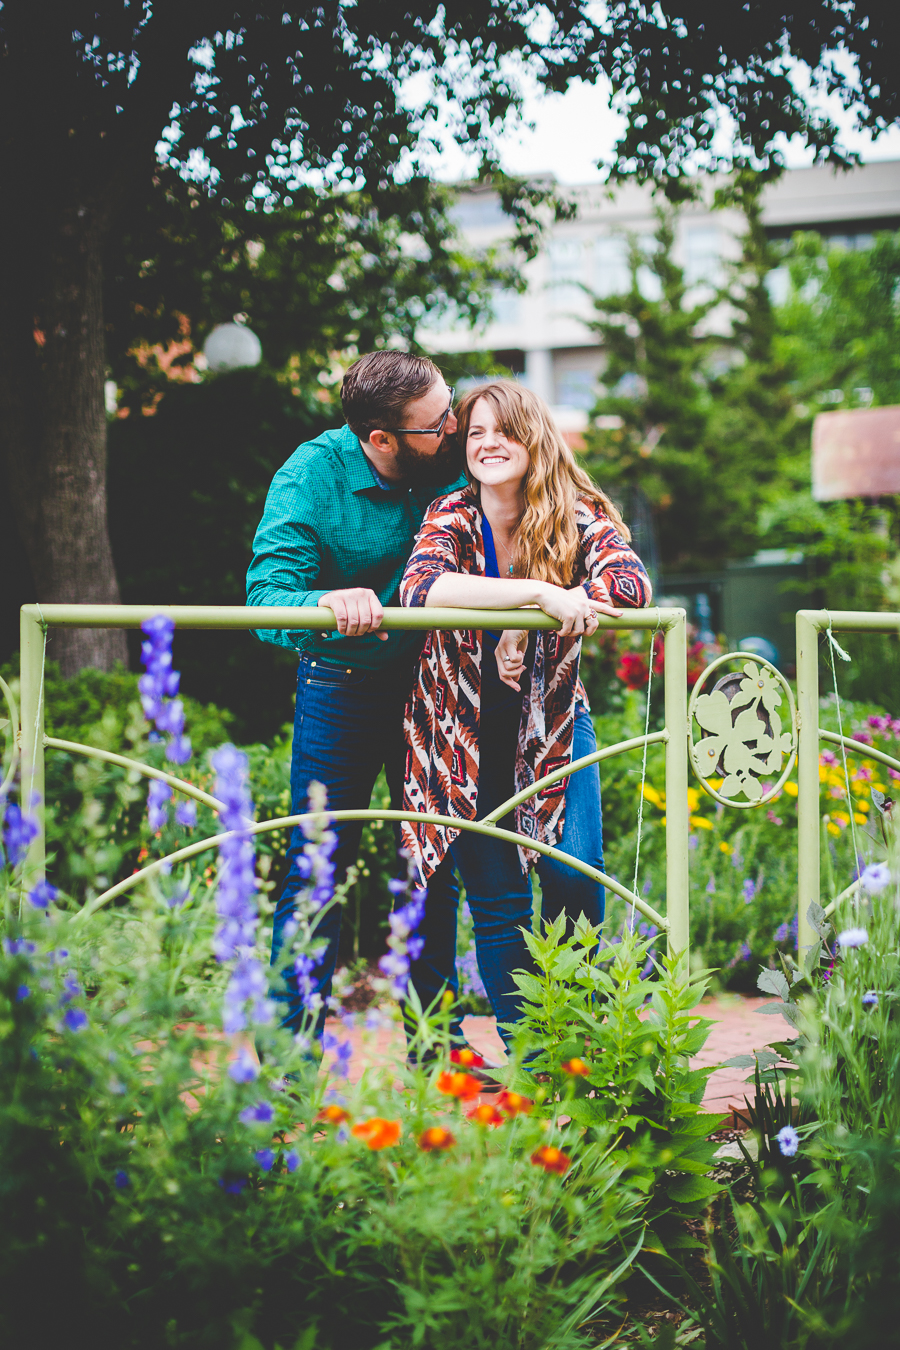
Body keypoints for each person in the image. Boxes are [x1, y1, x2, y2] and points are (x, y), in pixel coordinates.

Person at [399, 380, 652, 1045]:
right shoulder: (452, 512)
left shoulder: (574, 513)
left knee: (574, 876)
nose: (487, 445)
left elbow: (630, 584)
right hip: (461, 734)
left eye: (503, 431)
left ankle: (580, 1043)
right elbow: (420, 588)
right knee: (500, 904)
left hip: (554, 723)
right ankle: (534, 1063)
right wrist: (536, 596)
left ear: (532, 437)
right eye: (476, 433)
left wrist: (531, 622)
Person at [247, 351, 467, 1041]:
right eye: (437, 422)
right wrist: (324, 601)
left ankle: (438, 1048)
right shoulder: (311, 474)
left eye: (450, 406)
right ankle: (292, 1062)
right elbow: (265, 598)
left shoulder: (454, 454)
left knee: (432, 863)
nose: (455, 427)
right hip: (340, 686)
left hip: (432, 686)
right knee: (318, 866)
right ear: (381, 439)